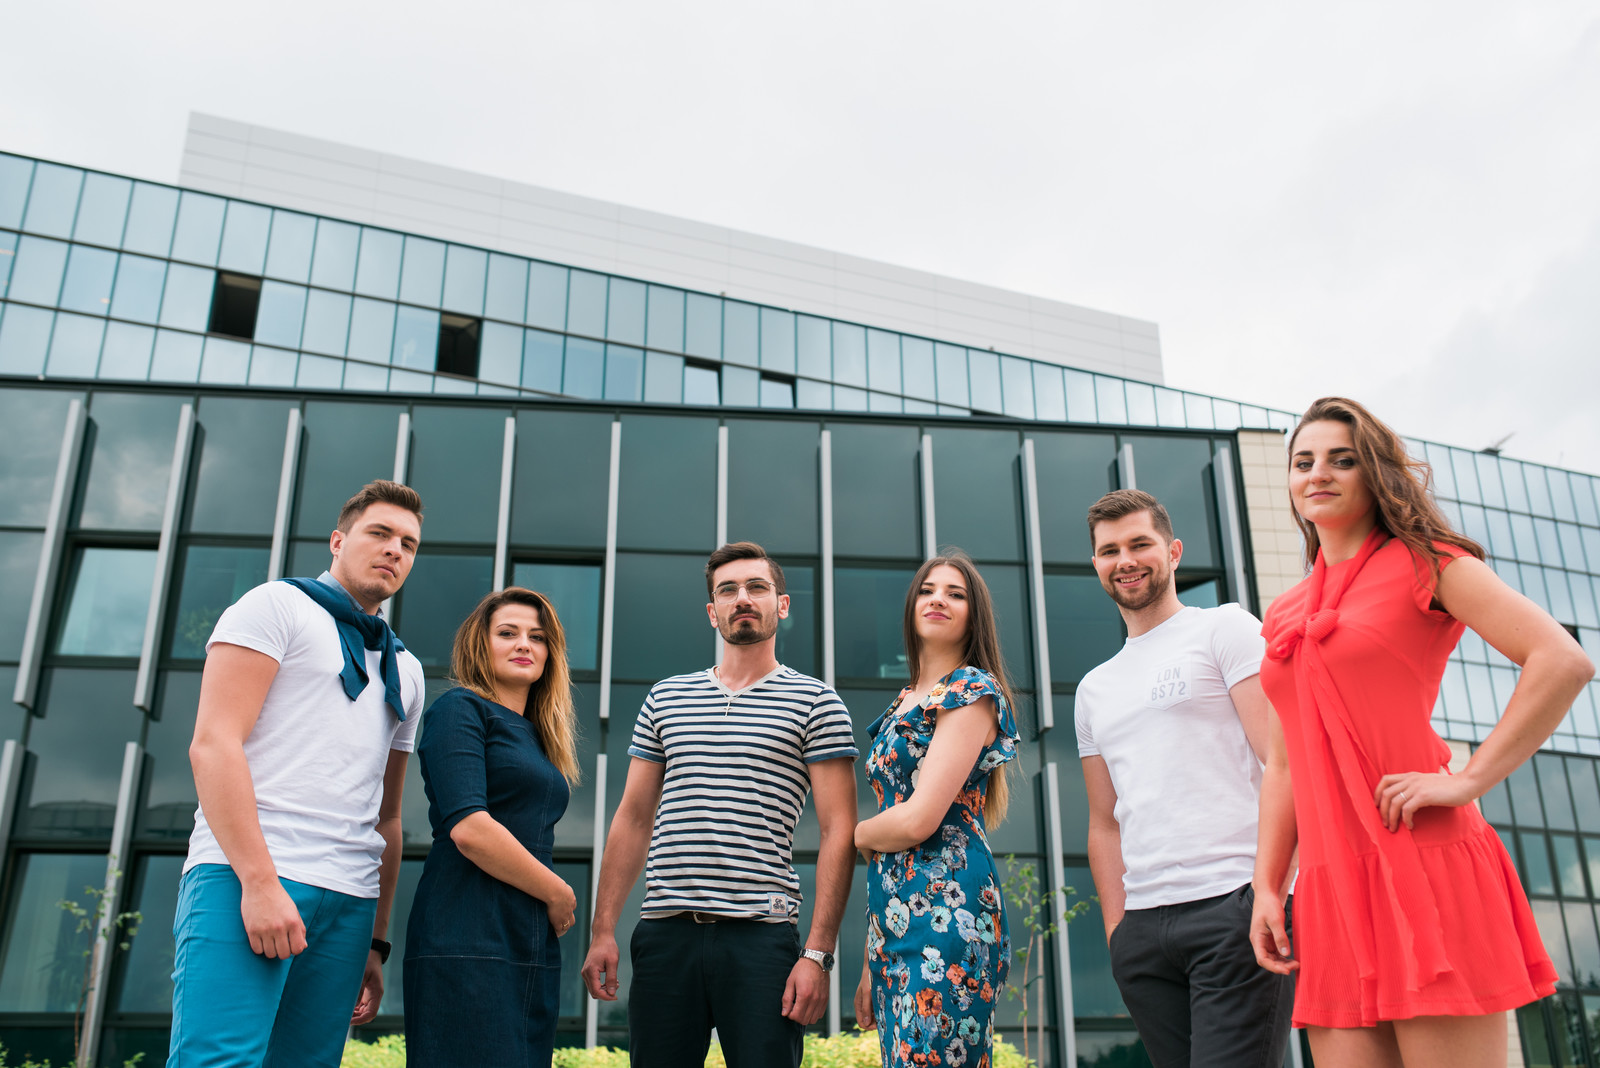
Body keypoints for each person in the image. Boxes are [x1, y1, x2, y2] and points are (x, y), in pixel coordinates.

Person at [1250, 397, 1595, 1068]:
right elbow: (1284, 765)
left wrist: (1468, 779)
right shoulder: (1285, 611)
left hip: (1424, 859)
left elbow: (1562, 661)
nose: (1318, 473)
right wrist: (1267, 886)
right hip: (1329, 886)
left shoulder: (1428, 562)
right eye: (1303, 461)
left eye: (1341, 460)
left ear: (1375, 472)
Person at [172, 480, 425, 1068]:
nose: (394, 549)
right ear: (338, 541)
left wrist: (376, 939)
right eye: (380, 533)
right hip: (248, 875)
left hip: (350, 902)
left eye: (408, 544)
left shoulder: (406, 670)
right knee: (219, 1061)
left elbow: (387, 815)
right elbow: (213, 745)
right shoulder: (275, 606)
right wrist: (260, 883)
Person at [580, 541, 859, 1068]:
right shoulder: (666, 697)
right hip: (665, 934)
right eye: (728, 590)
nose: (742, 598)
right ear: (713, 612)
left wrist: (818, 954)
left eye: (757, 587)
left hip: (762, 940)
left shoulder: (817, 702)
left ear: (782, 604)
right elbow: (633, 819)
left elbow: (839, 830)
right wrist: (602, 931)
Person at [1074, 489, 1294, 1067]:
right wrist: (1119, 933)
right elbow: (1104, 822)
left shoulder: (1225, 629)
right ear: (1096, 564)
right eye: (1110, 551)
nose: (1125, 560)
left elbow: (1284, 763)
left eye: (1140, 544)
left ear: (1173, 552)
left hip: (1233, 905)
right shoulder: (1093, 689)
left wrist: (1272, 891)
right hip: (1145, 932)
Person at [853, 551, 1021, 1068]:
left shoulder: (971, 690)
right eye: (927, 590)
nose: (938, 599)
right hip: (892, 920)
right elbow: (895, 833)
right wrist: (870, 953)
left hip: (949, 913)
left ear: (974, 615)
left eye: (955, 593)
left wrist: (857, 835)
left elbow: (918, 819)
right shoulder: (903, 702)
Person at [403, 587, 581, 1066]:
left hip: (526, 935)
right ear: (479, 644)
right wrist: (558, 892)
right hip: (466, 931)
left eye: (537, 637)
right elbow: (469, 828)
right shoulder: (459, 709)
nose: (524, 644)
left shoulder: (540, 738)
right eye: (507, 633)